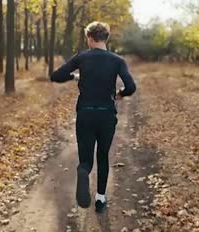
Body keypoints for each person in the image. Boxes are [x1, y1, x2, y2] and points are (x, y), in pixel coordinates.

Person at [50, 21, 136, 212]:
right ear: (106, 38)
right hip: (106, 115)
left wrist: (74, 76)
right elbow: (131, 87)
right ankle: (100, 199)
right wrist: (119, 94)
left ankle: (83, 171)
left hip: (85, 113)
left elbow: (56, 75)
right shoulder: (117, 60)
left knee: (86, 158)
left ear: (89, 38)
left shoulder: (82, 57)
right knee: (103, 155)